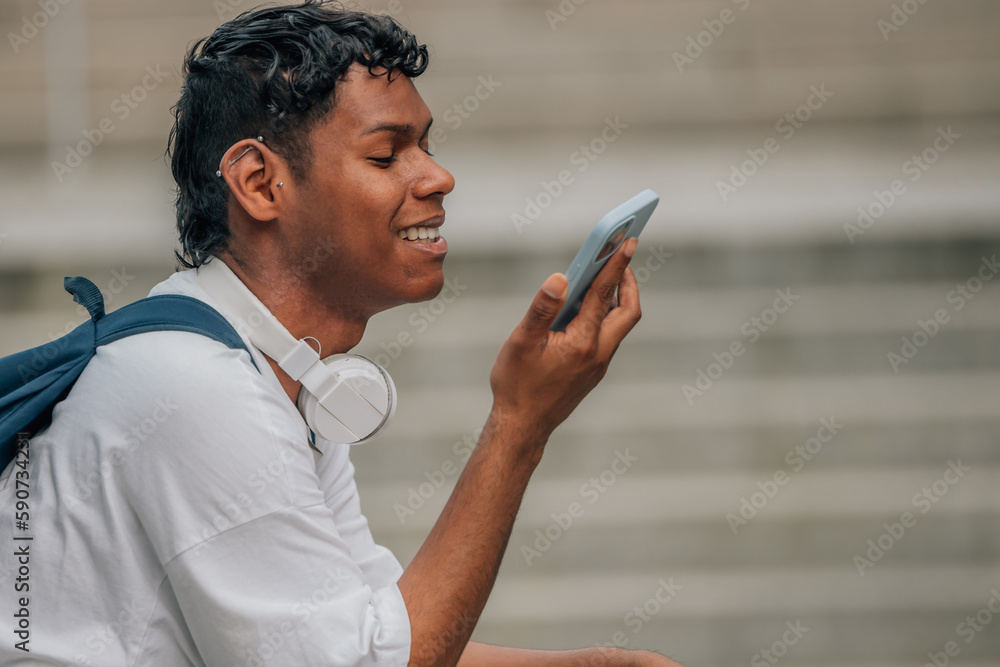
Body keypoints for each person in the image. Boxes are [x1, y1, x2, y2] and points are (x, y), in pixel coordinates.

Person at [0, 2, 681, 665]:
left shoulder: (279, 369)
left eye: (426, 145)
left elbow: (384, 632)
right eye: (387, 156)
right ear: (259, 184)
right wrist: (519, 423)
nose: (439, 177)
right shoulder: (193, 387)